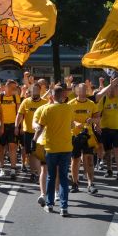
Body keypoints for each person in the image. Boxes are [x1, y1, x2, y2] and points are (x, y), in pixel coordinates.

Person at [33, 85, 74, 216]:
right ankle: (64, 208)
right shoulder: (69, 108)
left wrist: (34, 140)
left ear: (52, 96)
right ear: (63, 96)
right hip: (66, 148)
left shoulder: (47, 109)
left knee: (51, 176)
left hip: (51, 148)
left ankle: (50, 204)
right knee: (63, 178)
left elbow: (40, 128)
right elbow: (72, 124)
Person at [69, 83, 99, 194]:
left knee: (89, 159)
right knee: (75, 160)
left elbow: (97, 118)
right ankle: (75, 183)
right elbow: (67, 119)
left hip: (88, 135)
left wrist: (92, 120)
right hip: (75, 135)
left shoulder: (91, 104)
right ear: (76, 91)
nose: (82, 92)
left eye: (84, 90)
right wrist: (75, 123)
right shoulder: (70, 104)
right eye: (80, 90)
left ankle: (90, 184)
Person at [97, 77, 118, 179]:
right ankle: (109, 170)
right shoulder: (103, 99)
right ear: (110, 90)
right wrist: (97, 125)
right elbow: (98, 114)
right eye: (116, 90)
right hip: (105, 128)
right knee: (108, 151)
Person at [16, 84, 45, 183]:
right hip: (28, 132)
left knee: (40, 154)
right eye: (33, 90)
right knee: (31, 154)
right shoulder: (26, 101)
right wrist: (16, 126)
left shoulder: (45, 102)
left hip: (41, 133)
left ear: (40, 91)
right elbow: (20, 115)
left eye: (36, 90)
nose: (35, 92)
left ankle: (40, 174)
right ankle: (33, 173)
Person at [0, 80, 21, 177]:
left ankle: (13, 169)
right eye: (12, 88)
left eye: (15, 88)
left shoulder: (16, 97)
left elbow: (19, 113)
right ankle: (2, 168)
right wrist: (1, 126)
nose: (14, 90)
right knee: (1, 147)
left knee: (13, 146)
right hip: (1, 125)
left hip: (12, 125)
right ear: (6, 87)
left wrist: (17, 126)